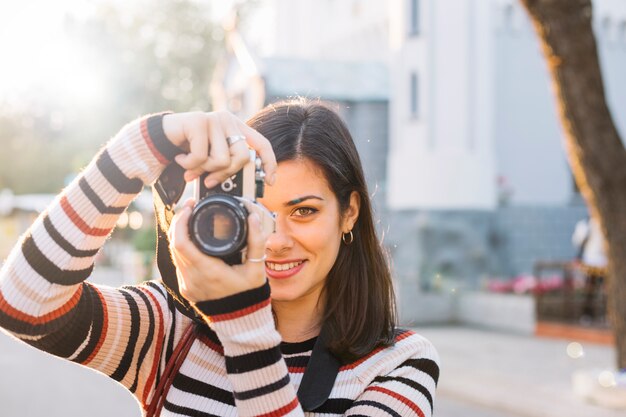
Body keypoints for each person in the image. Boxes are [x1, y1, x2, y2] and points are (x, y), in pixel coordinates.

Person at [0, 98, 439, 416]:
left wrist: (242, 323)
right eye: (258, 212)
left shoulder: (398, 365)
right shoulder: (173, 331)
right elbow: (24, 306)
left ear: (349, 213)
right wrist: (140, 147)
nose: (275, 239)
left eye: (304, 212)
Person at [572, 215, 607, 323]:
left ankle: (605, 315)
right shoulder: (586, 224)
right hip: (590, 261)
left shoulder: (606, 224)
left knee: (605, 291)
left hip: (604, 263)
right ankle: (587, 315)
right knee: (589, 290)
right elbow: (577, 241)